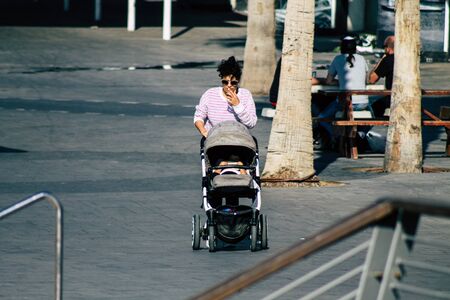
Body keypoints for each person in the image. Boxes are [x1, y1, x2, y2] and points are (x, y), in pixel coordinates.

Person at [315, 36, 369, 147]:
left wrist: (340, 82)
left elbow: (329, 81)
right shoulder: (362, 59)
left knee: (322, 118)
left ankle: (337, 136)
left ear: (341, 47)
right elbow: (365, 80)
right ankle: (361, 134)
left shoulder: (337, 59)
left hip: (345, 103)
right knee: (372, 115)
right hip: (363, 102)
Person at [194, 56, 257, 138]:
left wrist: (238, 105)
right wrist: (204, 131)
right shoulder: (210, 94)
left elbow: (251, 123)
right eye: (225, 82)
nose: (229, 86)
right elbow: (199, 116)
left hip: (239, 140)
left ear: (238, 82)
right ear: (221, 80)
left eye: (233, 83)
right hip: (214, 140)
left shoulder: (246, 95)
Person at [368, 35, 395, 117]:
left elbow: (371, 79)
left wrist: (381, 60)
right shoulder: (406, 58)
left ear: (388, 48)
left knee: (372, 110)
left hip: (392, 97)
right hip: (407, 96)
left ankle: (361, 129)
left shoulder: (388, 60)